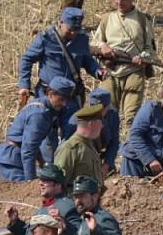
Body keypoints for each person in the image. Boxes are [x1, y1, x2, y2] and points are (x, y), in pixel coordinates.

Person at [18, 8, 107, 139]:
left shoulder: (82, 39)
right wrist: (24, 85)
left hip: (71, 96)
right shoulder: (46, 38)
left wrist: (97, 71)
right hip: (49, 95)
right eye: (70, 29)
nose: (73, 33)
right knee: (48, 135)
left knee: (72, 132)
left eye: (76, 30)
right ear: (60, 23)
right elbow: (27, 59)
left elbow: (87, 60)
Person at [91, 0, 156, 125]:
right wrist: (103, 46)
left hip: (133, 71)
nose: (119, 2)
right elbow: (95, 42)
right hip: (110, 70)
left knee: (131, 117)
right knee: (105, 113)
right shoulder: (107, 18)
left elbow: (150, 49)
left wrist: (143, 57)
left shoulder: (142, 19)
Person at [0, 77, 75, 181]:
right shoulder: (39, 115)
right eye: (61, 99)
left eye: (66, 100)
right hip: (12, 162)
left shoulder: (46, 108)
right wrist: (30, 183)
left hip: (16, 157)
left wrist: (42, 163)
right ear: (50, 94)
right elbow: (28, 150)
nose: (64, 104)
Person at [54, 103, 105, 191]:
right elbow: (58, 185)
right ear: (91, 124)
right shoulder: (70, 149)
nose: (102, 126)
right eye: (100, 122)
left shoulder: (89, 146)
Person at [87, 88, 120, 177]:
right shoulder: (80, 118)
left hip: (102, 153)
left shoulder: (113, 114)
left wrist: (106, 165)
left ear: (107, 107)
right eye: (92, 106)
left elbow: (114, 141)